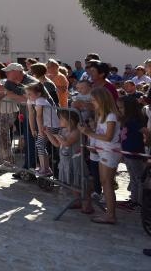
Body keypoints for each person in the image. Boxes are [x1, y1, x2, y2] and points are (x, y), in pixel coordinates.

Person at [80, 87, 121, 224]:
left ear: (101, 100)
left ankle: (110, 215)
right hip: (103, 151)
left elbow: (108, 137)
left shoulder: (111, 116)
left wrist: (88, 133)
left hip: (110, 152)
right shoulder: (102, 115)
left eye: (94, 100)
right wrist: (89, 130)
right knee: (105, 183)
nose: (92, 102)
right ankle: (110, 213)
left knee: (107, 183)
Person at [46, 109, 86, 210]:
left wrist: (56, 135)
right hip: (65, 160)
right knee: (71, 181)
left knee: (76, 181)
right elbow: (57, 144)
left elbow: (67, 143)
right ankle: (77, 201)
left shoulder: (77, 131)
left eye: (61, 119)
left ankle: (81, 201)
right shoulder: (63, 130)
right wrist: (48, 134)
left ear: (69, 120)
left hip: (75, 160)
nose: (59, 120)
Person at [118, 95, 147, 210]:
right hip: (127, 153)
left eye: (121, 108)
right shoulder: (126, 120)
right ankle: (133, 199)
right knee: (134, 178)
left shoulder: (133, 121)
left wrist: (147, 141)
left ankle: (139, 203)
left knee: (139, 178)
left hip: (135, 153)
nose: (119, 110)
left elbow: (145, 131)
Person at [26, 82, 57, 177]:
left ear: (38, 94)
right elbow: (31, 114)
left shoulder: (40, 100)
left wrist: (39, 131)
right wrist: (32, 129)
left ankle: (45, 169)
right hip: (45, 126)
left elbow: (39, 116)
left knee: (40, 145)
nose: (28, 96)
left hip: (51, 126)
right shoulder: (32, 100)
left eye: (30, 94)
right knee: (40, 145)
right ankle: (45, 168)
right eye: (27, 94)